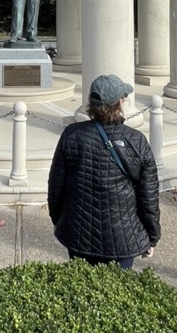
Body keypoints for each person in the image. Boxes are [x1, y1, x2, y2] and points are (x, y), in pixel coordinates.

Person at [47, 74, 161, 269]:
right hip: (122, 236)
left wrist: (58, 219)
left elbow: (56, 186)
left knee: (82, 283)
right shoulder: (136, 140)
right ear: (120, 102)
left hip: (78, 233)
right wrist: (152, 236)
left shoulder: (71, 134)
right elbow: (148, 196)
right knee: (117, 285)